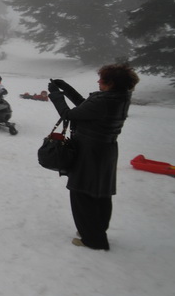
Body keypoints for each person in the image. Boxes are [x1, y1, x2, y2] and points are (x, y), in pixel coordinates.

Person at [47, 64, 139, 251]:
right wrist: (66, 88)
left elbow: (68, 115)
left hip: (90, 151)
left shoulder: (104, 101)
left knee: (81, 193)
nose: (98, 81)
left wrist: (56, 95)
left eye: (102, 79)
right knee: (100, 193)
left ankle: (93, 239)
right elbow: (84, 106)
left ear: (111, 83)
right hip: (105, 150)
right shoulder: (119, 97)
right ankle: (95, 231)